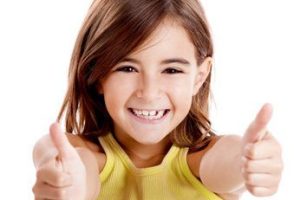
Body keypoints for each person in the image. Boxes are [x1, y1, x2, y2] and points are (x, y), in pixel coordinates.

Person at [32, 0, 283, 199]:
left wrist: (248, 160)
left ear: (199, 77)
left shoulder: (205, 161)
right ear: (97, 75)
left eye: (172, 70)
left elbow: (229, 162)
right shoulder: (78, 154)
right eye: (127, 68)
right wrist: (67, 183)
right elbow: (68, 163)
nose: (149, 92)